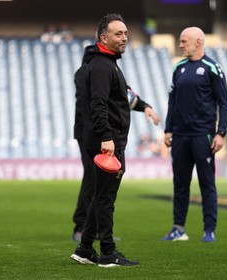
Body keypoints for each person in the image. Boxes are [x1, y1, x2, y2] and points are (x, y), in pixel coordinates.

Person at [70, 13, 158, 267]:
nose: (124, 38)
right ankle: (108, 252)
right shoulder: (101, 66)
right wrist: (107, 137)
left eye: (126, 33)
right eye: (118, 34)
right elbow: (98, 104)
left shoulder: (107, 62)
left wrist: (144, 106)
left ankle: (86, 247)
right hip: (107, 141)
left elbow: (122, 96)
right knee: (106, 197)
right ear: (103, 37)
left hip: (107, 139)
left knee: (100, 195)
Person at [162, 27, 227, 242]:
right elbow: (172, 101)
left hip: (203, 135)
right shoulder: (178, 68)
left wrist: (221, 133)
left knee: (206, 183)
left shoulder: (213, 68)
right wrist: (168, 129)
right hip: (180, 136)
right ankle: (178, 229)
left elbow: (223, 103)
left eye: (184, 41)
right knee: (179, 184)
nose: (180, 45)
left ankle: (209, 230)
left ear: (198, 42)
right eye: (180, 41)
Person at [72, 88, 159, 242]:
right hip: (94, 133)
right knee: (95, 181)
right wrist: (105, 134)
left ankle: (90, 235)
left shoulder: (108, 68)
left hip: (102, 133)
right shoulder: (97, 69)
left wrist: (144, 106)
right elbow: (95, 101)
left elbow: (126, 94)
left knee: (100, 185)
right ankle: (83, 229)